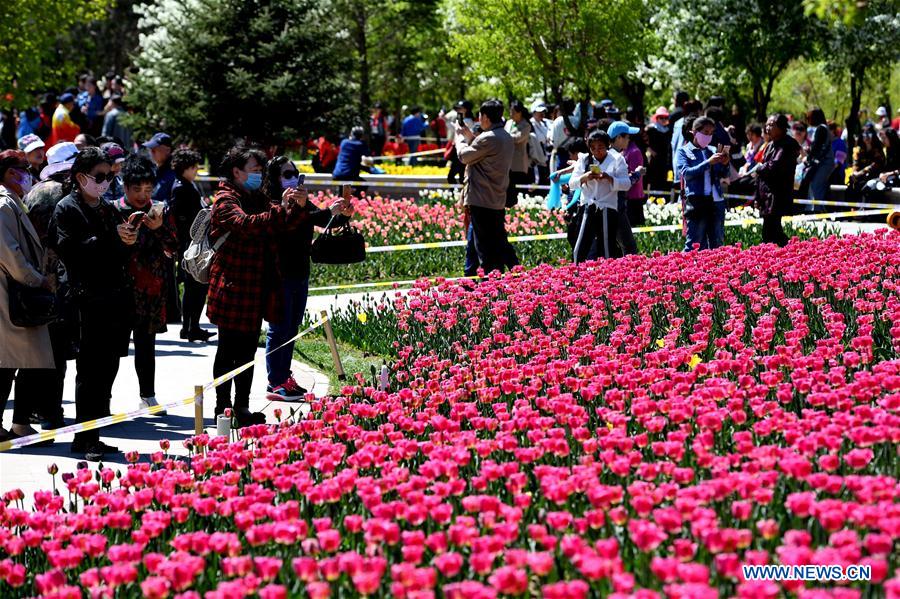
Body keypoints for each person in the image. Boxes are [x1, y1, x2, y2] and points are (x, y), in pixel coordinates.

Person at [207, 146, 308, 427]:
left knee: (247, 353)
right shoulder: (225, 199)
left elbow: (283, 224)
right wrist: (281, 210)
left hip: (256, 287)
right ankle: (222, 408)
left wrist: (297, 207)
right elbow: (246, 224)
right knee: (227, 352)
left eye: (261, 170)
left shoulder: (257, 197)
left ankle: (242, 407)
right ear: (236, 172)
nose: (259, 175)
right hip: (232, 287)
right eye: (254, 170)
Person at [49, 147, 136, 461]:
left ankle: (94, 434)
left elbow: (118, 252)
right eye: (99, 176)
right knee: (89, 371)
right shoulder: (66, 208)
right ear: (80, 177)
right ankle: (85, 438)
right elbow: (70, 251)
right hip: (85, 300)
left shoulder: (107, 208)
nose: (105, 182)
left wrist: (128, 239)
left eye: (109, 176)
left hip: (113, 297)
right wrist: (112, 238)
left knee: (107, 368)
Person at [263, 156, 354, 400]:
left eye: (295, 173)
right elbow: (287, 225)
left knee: (292, 328)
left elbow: (321, 219)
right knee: (279, 329)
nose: (293, 178)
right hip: (279, 274)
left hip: (300, 271)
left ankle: (285, 377)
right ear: (274, 178)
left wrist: (342, 214)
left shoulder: (301, 199)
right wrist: (304, 208)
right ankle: (275, 382)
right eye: (287, 174)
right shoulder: (271, 203)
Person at [110, 156, 177, 414]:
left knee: (146, 347)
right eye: (137, 189)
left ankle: (148, 396)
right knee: (113, 349)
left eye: (148, 189)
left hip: (150, 291)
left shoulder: (160, 210)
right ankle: (103, 399)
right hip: (118, 291)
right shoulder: (112, 210)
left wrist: (159, 229)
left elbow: (174, 247)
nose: (143, 195)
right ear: (125, 186)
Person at [0, 151, 56, 443]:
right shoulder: (2, 204)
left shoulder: (12, 200)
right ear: (10, 172)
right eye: (25, 169)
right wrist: (37, 279)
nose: (30, 175)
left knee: (25, 361)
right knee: (6, 364)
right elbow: (10, 253)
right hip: (10, 293)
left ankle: (21, 423)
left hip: (16, 292)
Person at [23, 143, 79, 430]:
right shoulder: (64, 194)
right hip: (56, 281)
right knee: (56, 351)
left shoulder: (35, 191)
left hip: (34, 278)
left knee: (39, 349)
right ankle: (50, 410)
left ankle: (36, 409)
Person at [455, 100, 516, 274]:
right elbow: (484, 151)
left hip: (482, 199)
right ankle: (472, 277)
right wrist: (470, 136)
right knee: (491, 243)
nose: (479, 119)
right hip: (496, 199)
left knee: (486, 249)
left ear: (486, 118)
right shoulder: (505, 136)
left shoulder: (488, 138)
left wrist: (459, 138)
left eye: (480, 115)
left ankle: (491, 282)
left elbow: (464, 156)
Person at [168, 148, 213, 342]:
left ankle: (191, 326)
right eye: (193, 167)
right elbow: (182, 218)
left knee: (194, 287)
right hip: (191, 244)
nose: (196, 170)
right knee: (196, 286)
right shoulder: (181, 188)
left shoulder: (187, 185)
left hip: (192, 242)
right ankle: (191, 327)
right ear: (185, 168)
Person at [570, 130, 630, 263]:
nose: (597, 151)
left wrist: (609, 178)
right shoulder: (584, 159)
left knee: (607, 248)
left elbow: (626, 184)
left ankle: (608, 274)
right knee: (580, 248)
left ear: (608, 145)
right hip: (588, 206)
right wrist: (585, 177)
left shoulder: (617, 159)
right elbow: (572, 184)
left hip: (608, 206)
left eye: (601, 147)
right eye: (593, 148)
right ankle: (576, 272)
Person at [676, 117, 730, 251]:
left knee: (717, 244)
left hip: (717, 201)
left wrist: (725, 163)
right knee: (694, 244)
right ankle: (683, 265)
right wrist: (708, 163)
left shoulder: (712, 150)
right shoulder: (684, 151)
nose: (708, 136)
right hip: (697, 201)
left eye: (711, 133)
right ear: (694, 132)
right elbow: (687, 173)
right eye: (705, 132)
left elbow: (723, 174)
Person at [753, 114, 800, 246]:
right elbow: (762, 172)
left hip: (778, 194)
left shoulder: (788, 144)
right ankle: (789, 251)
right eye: (767, 125)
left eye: (771, 125)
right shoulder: (769, 145)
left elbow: (774, 166)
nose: (767, 128)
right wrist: (757, 197)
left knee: (772, 232)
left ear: (781, 127)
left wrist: (759, 168)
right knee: (770, 232)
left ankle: (792, 251)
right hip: (766, 195)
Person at [609, 120, 645, 245]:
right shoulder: (618, 157)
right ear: (619, 137)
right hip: (618, 204)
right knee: (629, 246)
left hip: (611, 204)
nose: (629, 139)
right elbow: (625, 183)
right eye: (627, 136)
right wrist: (637, 173)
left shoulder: (608, 155)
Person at [802, 107, 834, 206]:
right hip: (826, 162)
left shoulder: (821, 128)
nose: (808, 120)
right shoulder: (824, 128)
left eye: (809, 117)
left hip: (824, 163)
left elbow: (817, 147)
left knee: (816, 186)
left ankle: (816, 210)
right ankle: (815, 208)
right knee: (816, 185)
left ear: (815, 117)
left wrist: (808, 157)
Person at [505, 101, 533, 209]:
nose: (510, 114)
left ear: (519, 112)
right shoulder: (509, 123)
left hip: (518, 164)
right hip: (507, 162)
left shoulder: (526, 125)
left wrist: (503, 136)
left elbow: (517, 138)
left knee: (518, 190)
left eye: (512, 112)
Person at [446, 100, 474, 185]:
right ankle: (459, 192)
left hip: (463, 149)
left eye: (460, 108)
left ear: (466, 109)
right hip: (459, 149)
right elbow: (456, 131)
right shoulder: (462, 120)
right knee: (460, 175)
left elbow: (464, 134)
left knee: (456, 176)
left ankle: (456, 191)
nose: (458, 110)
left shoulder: (468, 121)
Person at [645, 107, 672, 192]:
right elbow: (644, 141)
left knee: (663, 182)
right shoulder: (650, 129)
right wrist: (650, 150)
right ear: (657, 118)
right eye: (661, 117)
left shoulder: (668, 130)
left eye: (665, 117)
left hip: (664, 160)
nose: (663, 119)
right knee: (654, 182)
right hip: (654, 160)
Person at [144, 133, 175, 203]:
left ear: (168, 150)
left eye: (154, 150)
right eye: (150, 149)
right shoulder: (156, 170)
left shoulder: (175, 172)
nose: (151, 153)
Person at [530, 102, 551, 185]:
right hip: (536, 158)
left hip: (545, 157)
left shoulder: (544, 124)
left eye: (543, 111)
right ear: (534, 112)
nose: (542, 114)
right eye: (539, 112)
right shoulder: (530, 124)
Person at [828, 121, 848, 186]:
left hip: (837, 177)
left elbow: (839, 162)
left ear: (832, 131)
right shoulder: (826, 144)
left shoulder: (840, 143)